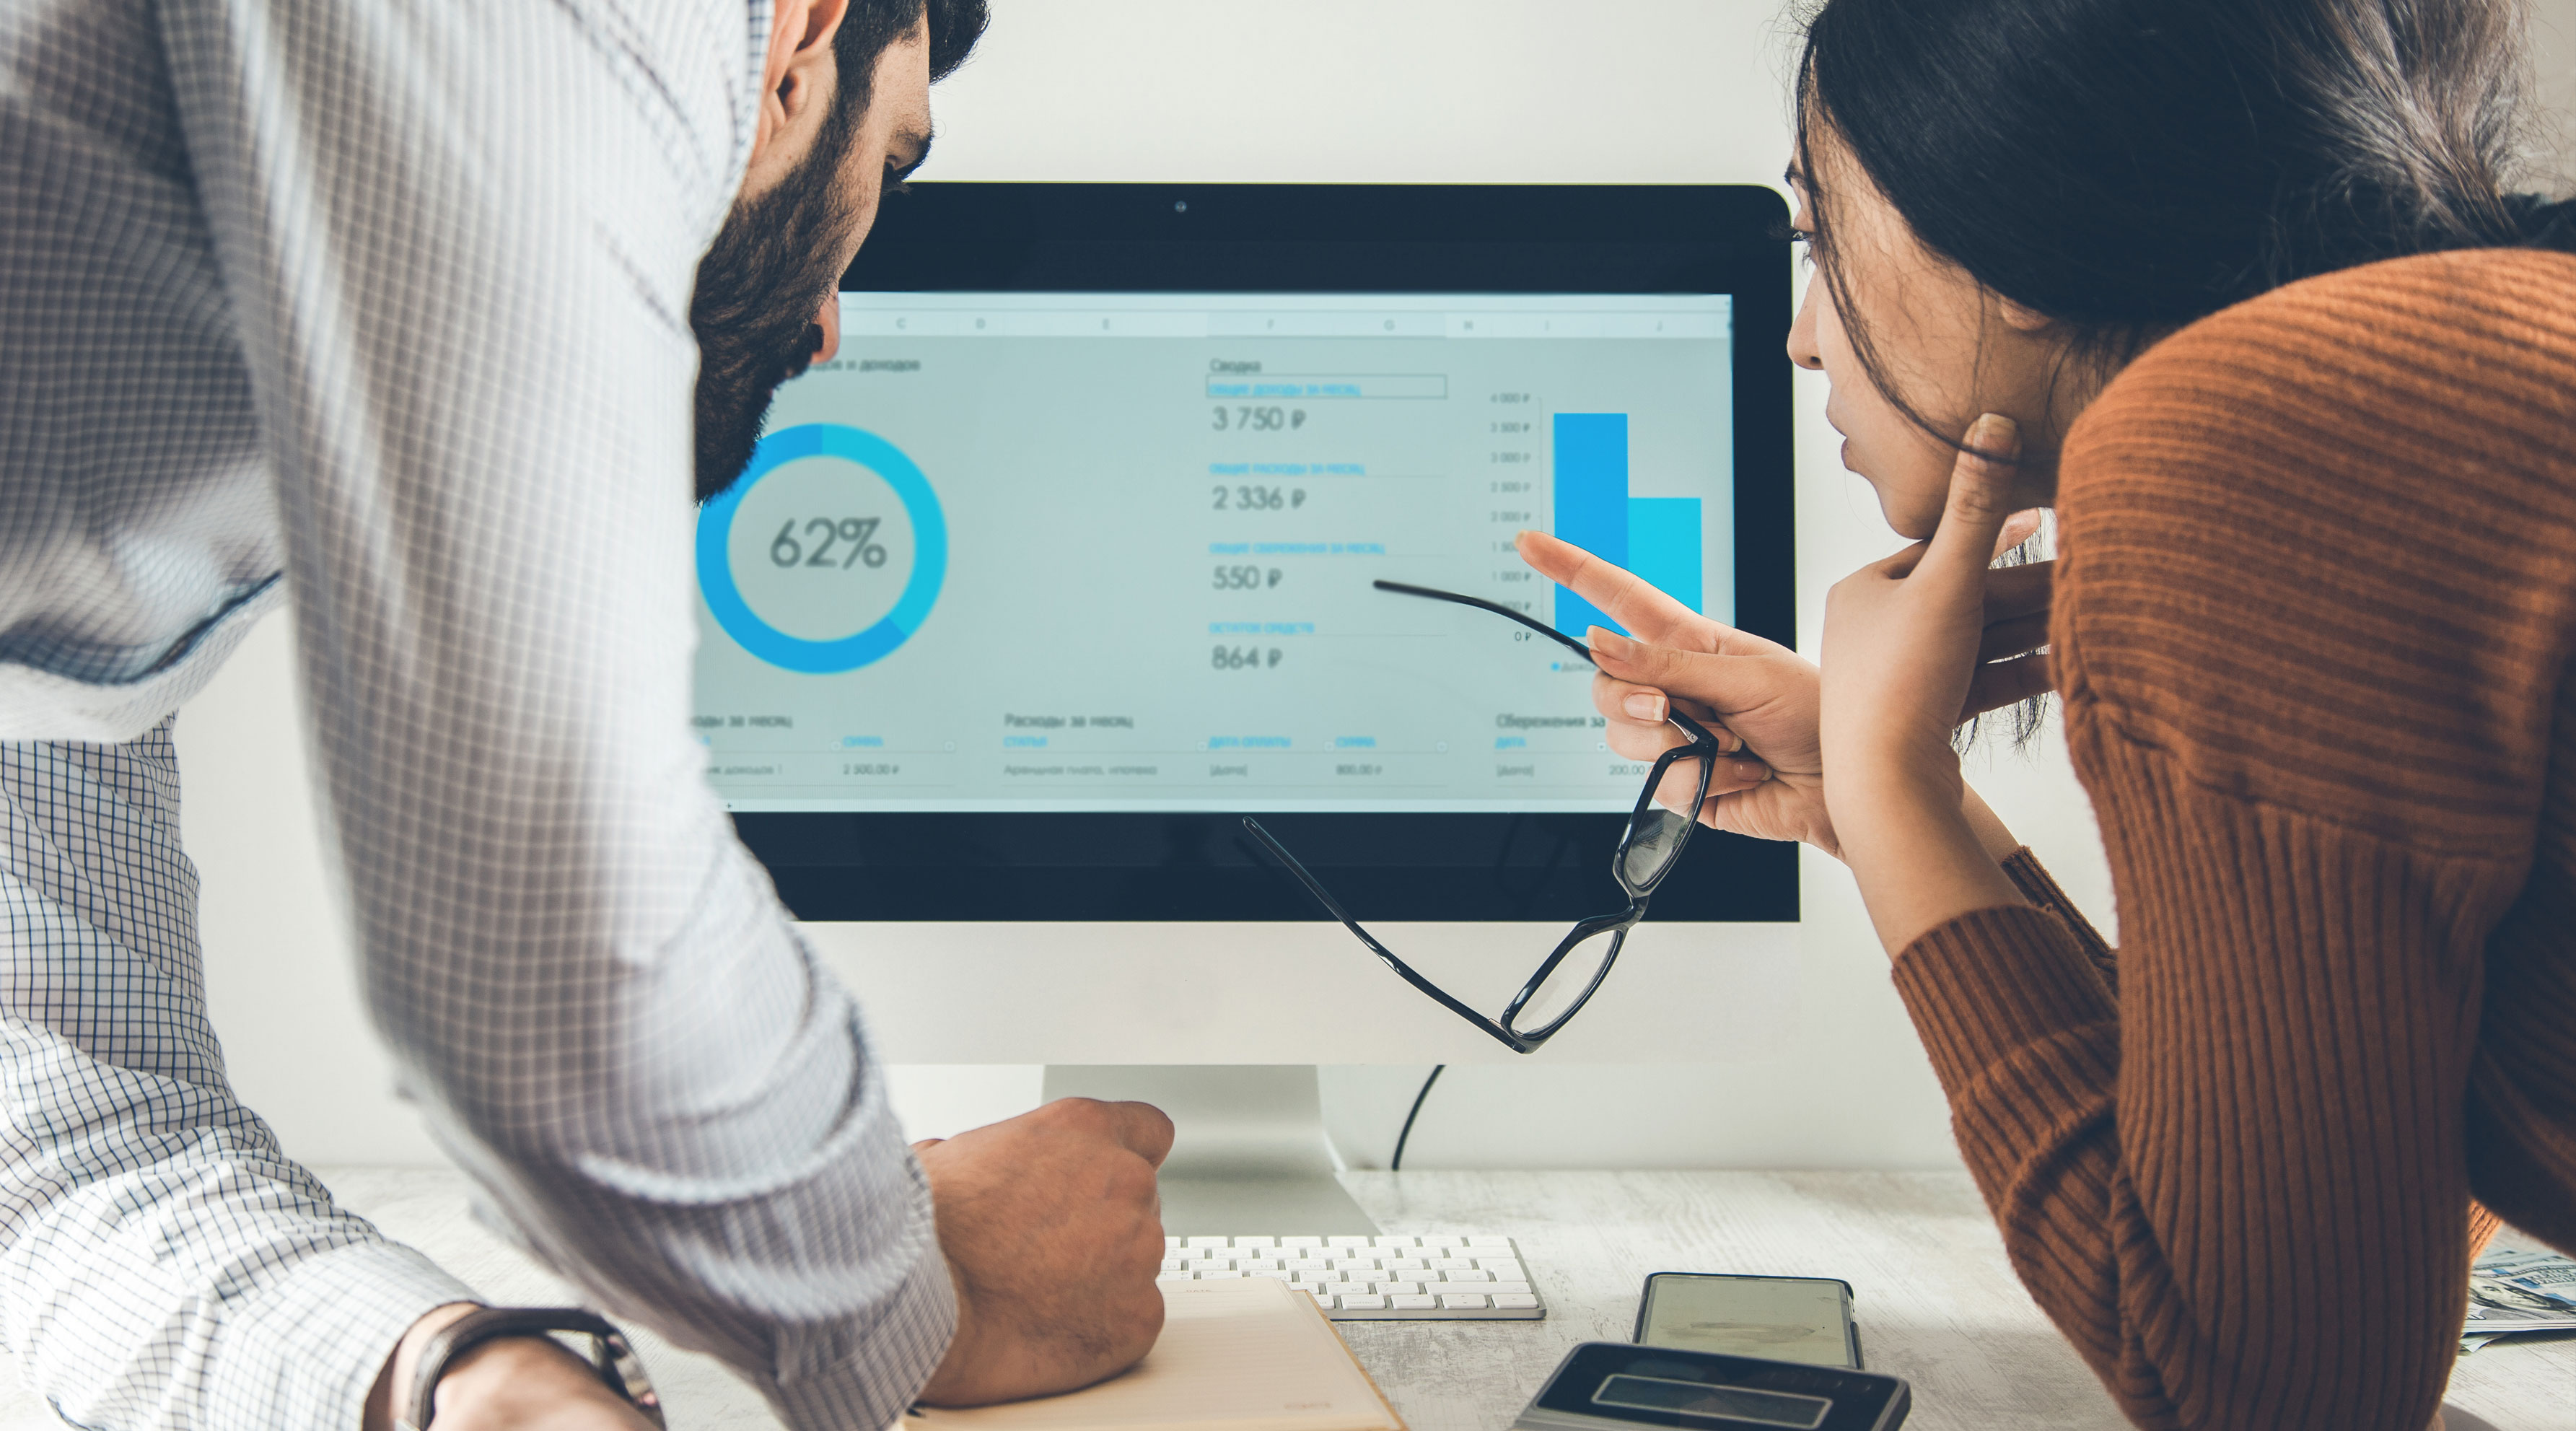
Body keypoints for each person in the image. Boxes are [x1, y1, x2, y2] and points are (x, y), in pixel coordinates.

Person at [0, 2, 1170, 1428]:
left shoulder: (71, 567)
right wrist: (923, 1296)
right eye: (893, 161)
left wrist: (463, 1378)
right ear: (798, 42)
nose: (826, 322)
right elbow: (561, 962)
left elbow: (71, 1142)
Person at [1521, 1, 2576, 1427]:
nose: (1800, 338)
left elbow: (2280, 1390)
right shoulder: (2444, 385)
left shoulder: (2241, 438)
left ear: (2002, 225)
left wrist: (1893, 789)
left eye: (1815, 237)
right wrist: (1880, 796)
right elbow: (2355, 1205)